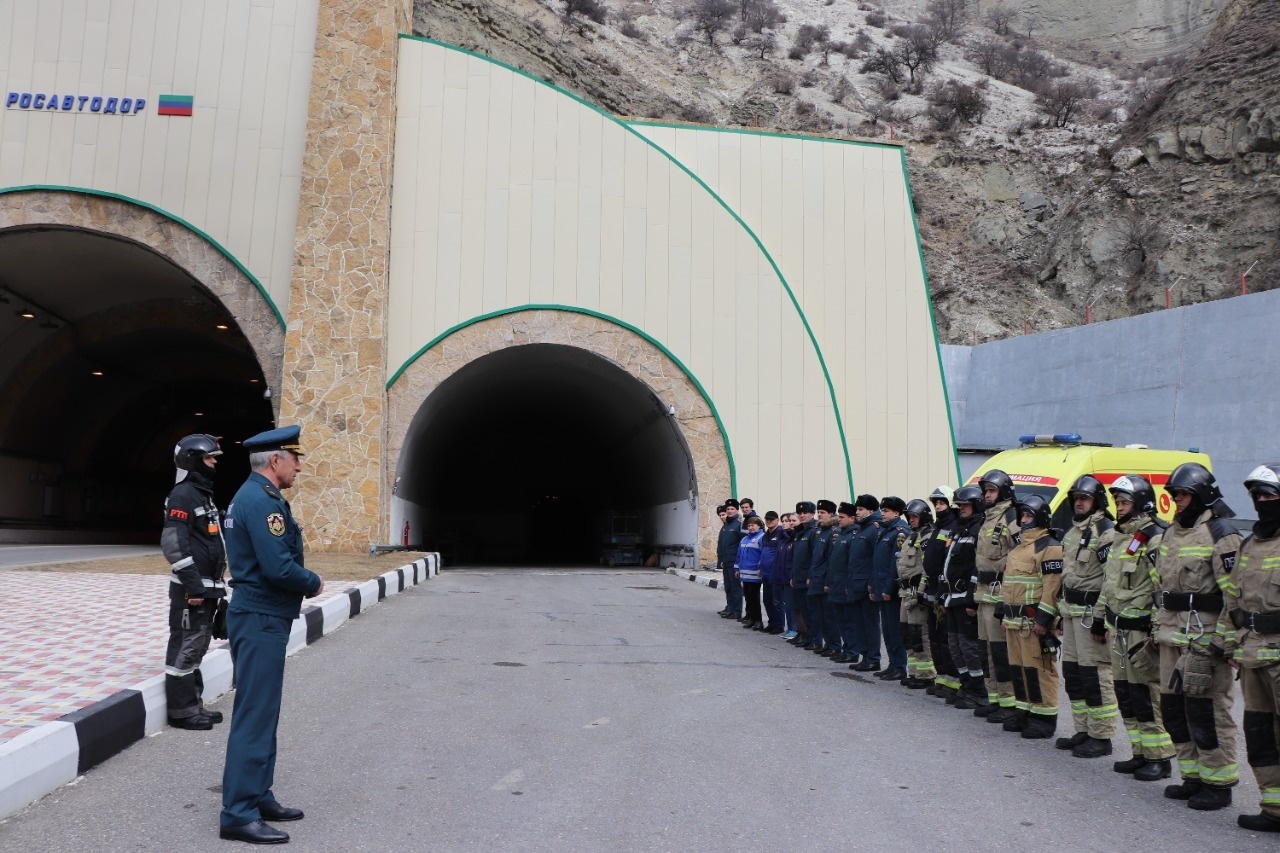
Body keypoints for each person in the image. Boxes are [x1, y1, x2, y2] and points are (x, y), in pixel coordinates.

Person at [219, 426, 325, 845]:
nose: (299, 465)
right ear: (275, 460)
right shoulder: (261, 503)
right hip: (260, 616)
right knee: (254, 715)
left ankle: (259, 795)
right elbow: (278, 567)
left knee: (263, 711)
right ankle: (238, 812)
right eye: (294, 457)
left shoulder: (257, 497)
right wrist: (312, 581)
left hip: (262, 616)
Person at [1153, 462, 1241, 811]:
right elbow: (1159, 587)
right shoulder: (1169, 534)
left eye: (1184, 495)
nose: (1177, 501)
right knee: (1174, 711)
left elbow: (1235, 595)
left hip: (1204, 642)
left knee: (1209, 713)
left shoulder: (1222, 534)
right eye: (1175, 495)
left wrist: (1223, 643)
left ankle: (1218, 784)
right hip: (1170, 637)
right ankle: (1191, 777)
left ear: (1203, 495)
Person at [1101, 475, 1175, 782]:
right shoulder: (1121, 537)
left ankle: (1159, 758)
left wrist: (1158, 630)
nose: (1119, 507)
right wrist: (1103, 620)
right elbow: (1110, 584)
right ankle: (1140, 752)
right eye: (1117, 502)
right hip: (1118, 629)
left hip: (1141, 632)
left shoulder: (1154, 537)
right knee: (1126, 694)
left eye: (1125, 502)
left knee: (1147, 694)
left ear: (1142, 504)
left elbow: (1163, 588)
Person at [161, 434, 228, 730]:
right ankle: (182, 711)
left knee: (198, 645)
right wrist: (194, 586)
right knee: (186, 647)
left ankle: (193, 704)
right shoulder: (182, 496)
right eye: (210, 458)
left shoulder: (202, 494)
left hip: (206, 587)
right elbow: (174, 544)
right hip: (192, 589)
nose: (214, 463)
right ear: (192, 461)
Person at [1226, 464, 1280, 833]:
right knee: (1259, 733)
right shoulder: (1249, 543)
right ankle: (1274, 807)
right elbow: (1233, 598)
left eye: (1269, 496)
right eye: (1256, 497)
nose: (1261, 503)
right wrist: (1231, 643)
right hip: (1252, 652)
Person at [1056, 475, 1119, 758]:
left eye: (1085, 498)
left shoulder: (1106, 531)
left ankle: (1101, 736)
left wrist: (1100, 618)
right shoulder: (1073, 532)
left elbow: (1111, 579)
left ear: (1097, 501)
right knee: (1073, 673)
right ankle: (1083, 730)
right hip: (1070, 614)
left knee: (1095, 676)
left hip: (1090, 616)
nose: (1079, 503)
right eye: (1076, 498)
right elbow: (1066, 577)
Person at [999, 494, 1065, 739]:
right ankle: (1024, 710)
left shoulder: (1049, 546)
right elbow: (1008, 584)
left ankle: (1044, 718)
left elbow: (1052, 587)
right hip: (1014, 622)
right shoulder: (1018, 548)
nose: (1024, 520)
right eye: (1022, 515)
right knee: (1020, 668)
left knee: (1041, 670)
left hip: (1033, 623)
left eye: (1029, 516)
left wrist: (1043, 620)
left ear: (1041, 519)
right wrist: (1002, 610)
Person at [969, 470, 1019, 719]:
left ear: (1004, 492)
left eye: (992, 491)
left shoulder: (1011, 516)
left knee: (1000, 652)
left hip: (1000, 592)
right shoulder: (986, 518)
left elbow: (1020, 555)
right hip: (983, 594)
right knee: (985, 650)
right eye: (986, 491)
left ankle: (1009, 703)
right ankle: (995, 698)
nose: (987, 495)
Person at [944, 485, 988, 710]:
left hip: (965, 598)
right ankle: (966, 684)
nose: (961, 509)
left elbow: (977, 567)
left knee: (969, 647)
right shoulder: (959, 529)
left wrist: (971, 599)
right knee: (955, 645)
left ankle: (979, 691)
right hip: (952, 597)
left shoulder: (978, 530)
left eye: (966, 505)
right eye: (959, 505)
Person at [923, 487, 963, 700]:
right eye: (936, 504)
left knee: (947, 640)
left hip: (944, 589)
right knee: (935, 638)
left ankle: (953, 682)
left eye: (942, 503)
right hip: (932, 589)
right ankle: (942, 678)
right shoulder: (938, 527)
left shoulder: (953, 527)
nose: (938, 507)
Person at [897, 499, 936, 689]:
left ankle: (926, 674)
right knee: (907, 633)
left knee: (919, 634)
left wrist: (921, 593)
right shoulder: (911, 536)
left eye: (915, 516)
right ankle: (913, 672)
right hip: (904, 592)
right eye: (910, 517)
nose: (911, 520)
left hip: (915, 592)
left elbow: (928, 568)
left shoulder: (927, 536)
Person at [872, 497, 910, 681]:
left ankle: (900, 667)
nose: (882, 514)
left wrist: (888, 588)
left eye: (886, 511)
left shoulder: (900, 532)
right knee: (887, 630)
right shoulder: (885, 531)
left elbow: (895, 565)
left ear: (897, 513)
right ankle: (892, 664)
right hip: (881, 587)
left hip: (891, 591)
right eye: (882, 511)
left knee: (895, 630)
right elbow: (877, 563)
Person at [824, 502, 863, 663]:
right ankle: (846, 648)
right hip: (836, 583)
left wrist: (848, 585)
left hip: (845, 585)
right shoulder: (841, 534)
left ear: (852, 518)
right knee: (841, 620)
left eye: (842, 517)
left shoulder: (854, 535)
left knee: (849, 621)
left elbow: (852, 564)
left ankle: (852, 652)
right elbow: (833, 562)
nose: (838, 520)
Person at [805, 499, 840, 654]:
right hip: (816, 578)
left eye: (822, 513)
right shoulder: (820, 531)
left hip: (825, 580)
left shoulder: (834, 532)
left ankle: (835, 645)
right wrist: (811, 576)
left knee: (829, 616)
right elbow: (815, 558)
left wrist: (828, 581)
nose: (819, 515)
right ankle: (827, 644)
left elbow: (831, 560)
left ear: (831, 514)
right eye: (818, 512)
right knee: (819, 614)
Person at [788, 503, 818, 646]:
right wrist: (793, 576)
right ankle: (806, 635)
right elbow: (796, 557)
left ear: (812, 514)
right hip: (798, 577)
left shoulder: (813, 531)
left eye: (805, 512)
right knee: (802, 609)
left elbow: (814, 557)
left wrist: (810, 576)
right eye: (800, 513)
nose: (802, 515)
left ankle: (813, 638)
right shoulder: (800, 531)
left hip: (807, 578)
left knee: (810, 610)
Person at [758, 511, 788, 633]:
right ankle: (771, 622)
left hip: (775, 573)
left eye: (772, 519)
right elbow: (763, 553)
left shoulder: (781, 533)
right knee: (767, 600)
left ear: (777, 521)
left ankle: (779, 625)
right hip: (765, 573)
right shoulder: (766, 535)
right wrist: (760, 567)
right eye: (767, 519)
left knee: (777, 601)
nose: (769, 521)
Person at [736, 516, 766, 630]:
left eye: (753, 525)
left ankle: (758, 621)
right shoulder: (745, 539)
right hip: (744, 574)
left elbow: (763, 555)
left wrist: (760, 567)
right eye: (749, 525)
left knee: (754, 598)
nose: (751, 527)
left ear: (759, 526)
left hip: (755, 574)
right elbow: (739, 555)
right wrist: (737, 569)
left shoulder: (762, 537)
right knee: (748, 598)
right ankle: (752, 619)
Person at [717, 499, 744, 620]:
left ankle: (736, 611)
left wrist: (739, 562)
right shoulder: (726, 525)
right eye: (728, 509)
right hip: (726, 561)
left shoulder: (739, 525)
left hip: (734, 561)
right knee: (728, 586)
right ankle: (730, 607)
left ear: (737, 510)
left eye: (732, 509)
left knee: (735, 587)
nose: (729, 511)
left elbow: (741, 544)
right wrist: (721, 559)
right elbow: (722, 544)